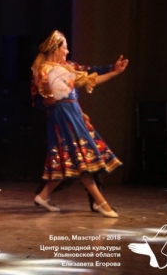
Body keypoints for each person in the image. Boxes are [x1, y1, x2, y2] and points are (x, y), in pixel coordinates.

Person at [30, 30, 128, 218]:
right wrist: (46, 102)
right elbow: (38, 100)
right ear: (55, 49)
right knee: (79, 157)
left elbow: (90, 72)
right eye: (64, 48)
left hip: (74, 114)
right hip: (62, 116)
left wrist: (113, 70)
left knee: (72, 158)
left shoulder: (69, 67)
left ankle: (43, 196)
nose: (67, 51)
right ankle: (100, 202)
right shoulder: (43, 70)